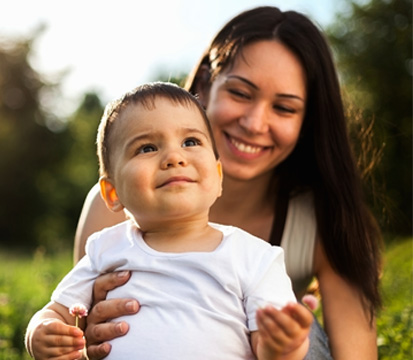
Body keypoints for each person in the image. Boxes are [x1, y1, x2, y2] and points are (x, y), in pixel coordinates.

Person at [74, 6, 382, 360]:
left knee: (293, 325)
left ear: (307, 121)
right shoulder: (114, 209)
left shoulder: (328, 217)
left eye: (284, 108)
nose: (254, 123)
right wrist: (85, 330)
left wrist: (283, 340)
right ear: (205, 83)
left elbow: (355, 355)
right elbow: (76, 327)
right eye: (240, 93)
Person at [25, 82, 314, 360]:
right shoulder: (106, 248)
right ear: (112, 193)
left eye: (191, 141)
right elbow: (57, 312)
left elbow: (267, 343)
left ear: (218, 177)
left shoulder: (256, 258)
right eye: (147, 147)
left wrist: (282, 347)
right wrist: (40, 333)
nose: (174, 157)